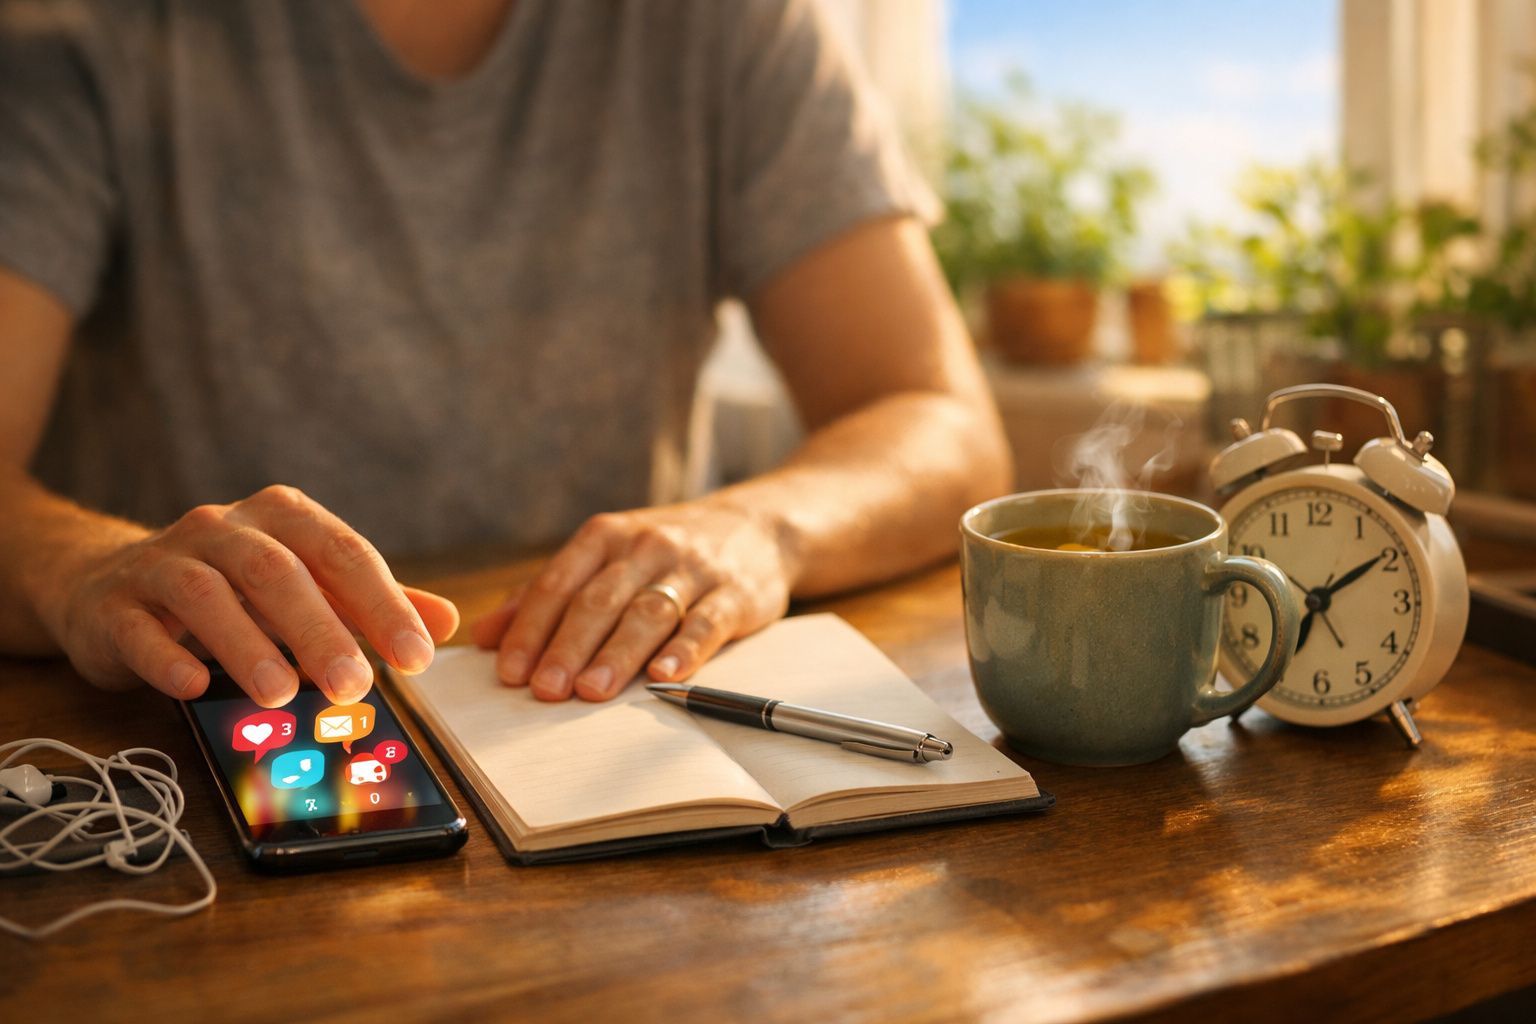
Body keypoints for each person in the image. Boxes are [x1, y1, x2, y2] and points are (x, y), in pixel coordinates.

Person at [0, 0, 1011, 710]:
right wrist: (89, 566)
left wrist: (761, 525)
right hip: (188, 754)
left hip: (604, 728)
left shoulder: (728, 21)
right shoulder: (78, 26)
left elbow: (938, 417)